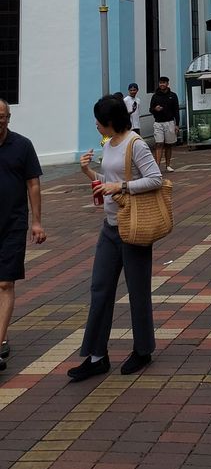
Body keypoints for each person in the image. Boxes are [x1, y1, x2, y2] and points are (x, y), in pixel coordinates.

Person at [68, 95, 163, 381]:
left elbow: (156, 179)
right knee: (100, 289)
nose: (96, 125)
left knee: (137, 291)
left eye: (100, 121)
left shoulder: (136, 144)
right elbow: (107, 179)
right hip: (110, 228)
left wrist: (120, 186)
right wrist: (89, 173)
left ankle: (143, 350)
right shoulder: (108, 144)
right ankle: (97, 357)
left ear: (112, 121)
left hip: (133, 228)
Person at [0, 99, 46, 373]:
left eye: (3, 116)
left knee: (5, 284)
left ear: (9, 118)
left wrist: (37, 222)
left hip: (13, 225)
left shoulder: (22, 146)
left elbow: (33, 183)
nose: (0, 121)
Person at [149, 76, 180, 171]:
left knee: (168, 144)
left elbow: (176, 111)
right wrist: (155, 109)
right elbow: (150, 109)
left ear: (167, 84)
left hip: (170, 122)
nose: (162, 84)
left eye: (164, 83)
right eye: (160, 83)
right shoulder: (155, 96)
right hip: (158, 123)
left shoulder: (173, 96)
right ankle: (157, 166)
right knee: (159, 143)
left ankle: (168, 165)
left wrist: (177, 124)